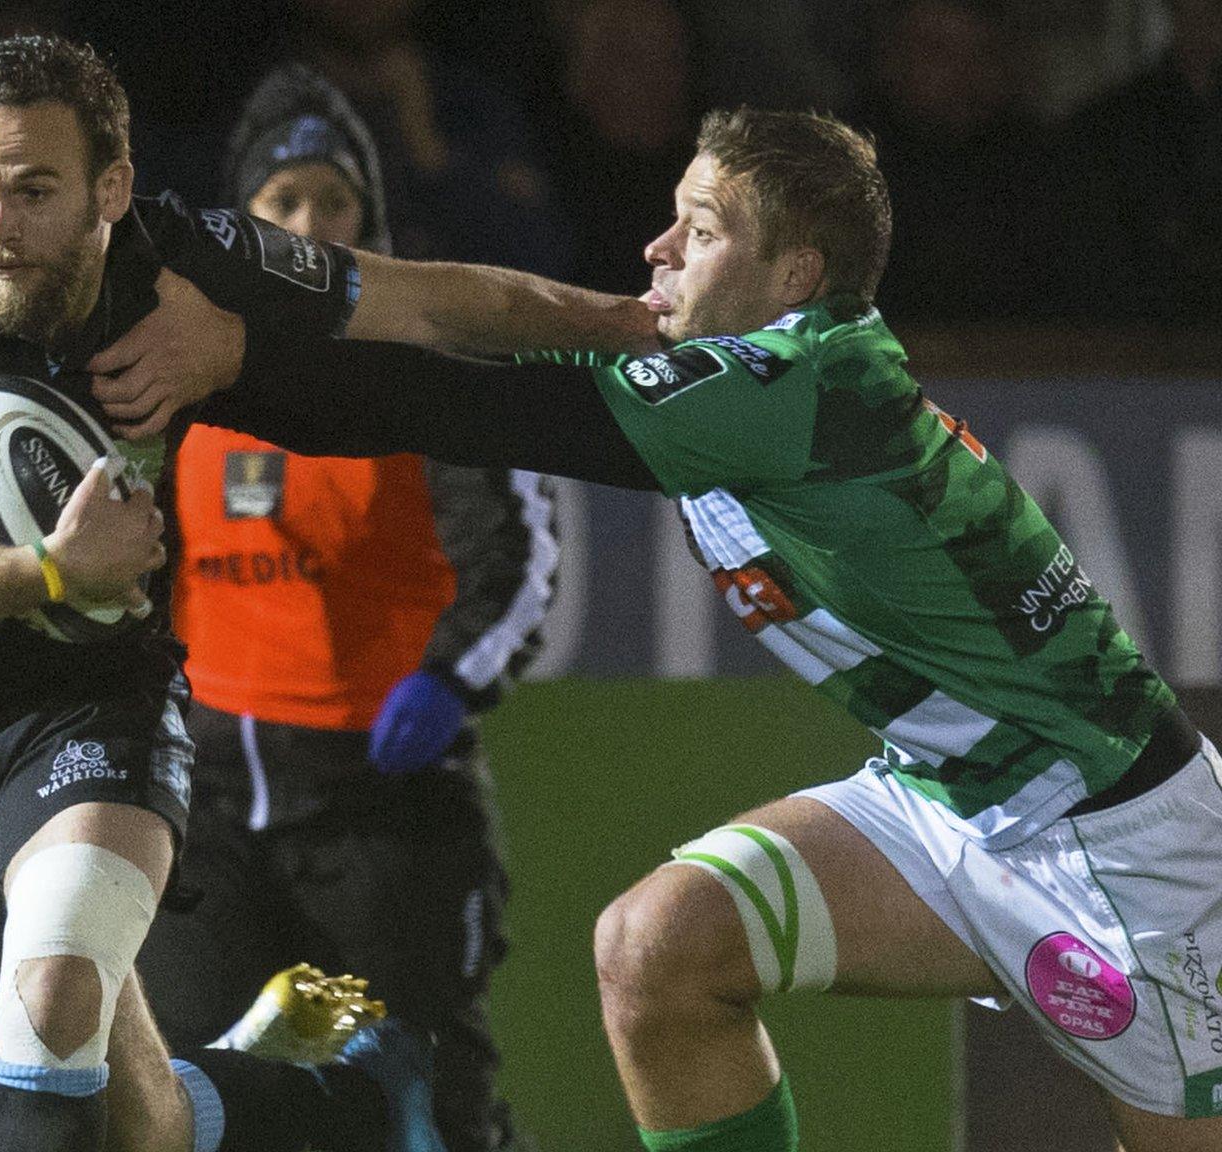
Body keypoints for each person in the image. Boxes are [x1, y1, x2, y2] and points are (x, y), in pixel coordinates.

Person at [85, 107, 1222, 1151]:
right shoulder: (718, 369)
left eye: (699, 229)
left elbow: (444, 405)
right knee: (658, 949)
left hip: (1122, 846)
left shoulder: (796, 385)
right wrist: (202, 261)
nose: (654, 252)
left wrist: (225, 358)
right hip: (941, 799)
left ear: (795, 273)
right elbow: (441, 313)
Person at [0, 32, 492, 1152]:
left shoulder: (186, 278)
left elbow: (435, 309)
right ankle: (337, 1098)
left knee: (47, 1029)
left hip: (119, 717)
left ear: (108, 188)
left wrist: (620, 329)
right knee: (138, 1122)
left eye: (33, 190)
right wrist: (46, 570)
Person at [132, 64, 545, 1152]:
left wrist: (451, 679)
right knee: (187, 1103)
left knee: (417, 1105)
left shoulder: (430, 362)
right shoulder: (178, 368)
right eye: (283, 204)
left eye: (334, 203)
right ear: (242, 220)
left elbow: (514, 557)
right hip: (210, 813)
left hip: (382, 808)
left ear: (369, 218)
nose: (310, 226)